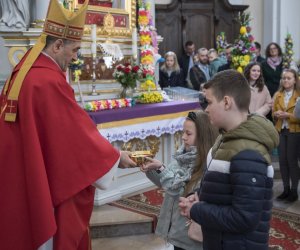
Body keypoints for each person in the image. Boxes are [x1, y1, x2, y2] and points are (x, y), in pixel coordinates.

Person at [0, 1, 136, 249]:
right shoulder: (47, 81)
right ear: (58, 45)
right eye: (74, 50)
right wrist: (116, 157)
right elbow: (73, 138)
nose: (75, 58)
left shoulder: (23, 72)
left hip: (18, 171)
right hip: (44, 182)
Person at [179, 70, 279, 250]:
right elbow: (225, 188)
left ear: (226, 102)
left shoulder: (248, 153)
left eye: (209, 102)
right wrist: (200, 197)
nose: (206, 109)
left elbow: (244, 218)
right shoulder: (225, 138)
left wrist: (197, 210)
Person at [141, 110, 218, 250]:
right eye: (183, 132)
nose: (183, 137)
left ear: (203, 137)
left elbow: (182, 193)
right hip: (177, 229)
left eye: (188, 134)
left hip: (189, 234)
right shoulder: (184, 155)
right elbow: (168, 184)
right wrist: (155, 168)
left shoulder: (209, 164)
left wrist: (163, 170)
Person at [273, 69, 300, 202]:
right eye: (284, 78)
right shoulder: (278, 94)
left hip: (294, 131)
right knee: (282, 161)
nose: (286, 80)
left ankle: (294, 191)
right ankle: (286, 189)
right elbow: (273, 113)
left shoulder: (299, 95)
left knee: (292, 161)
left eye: (289, 78)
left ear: (295, 80)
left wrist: (288, 115)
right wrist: (276, 114)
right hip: (281, 130)